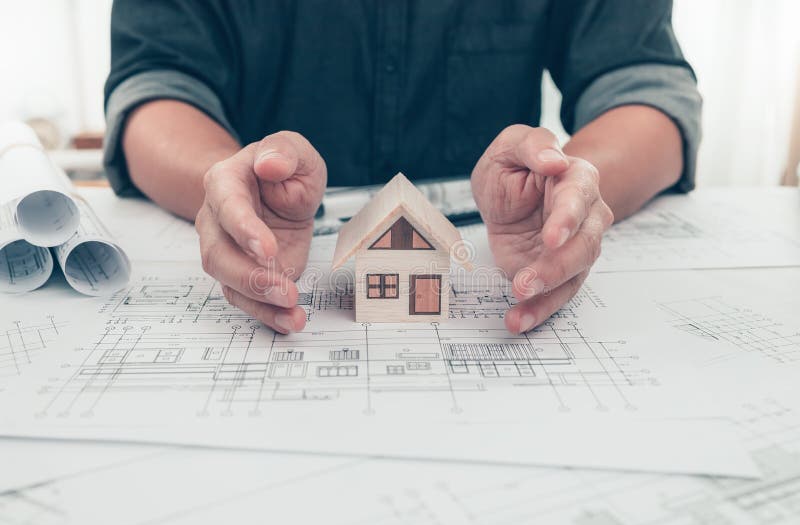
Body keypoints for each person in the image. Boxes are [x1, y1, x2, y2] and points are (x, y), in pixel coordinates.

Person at [103, 0, 701, 335]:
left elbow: (646, 84)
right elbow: (157, 83)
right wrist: (228, 182)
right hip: (275, 228)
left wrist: (566, 189)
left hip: (508, 230)